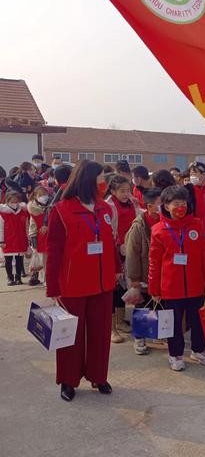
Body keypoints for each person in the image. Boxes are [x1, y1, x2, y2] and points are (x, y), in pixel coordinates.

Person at [46, 160, 120, 402]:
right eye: (102, 179)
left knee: (100, 334)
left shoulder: (104, 209)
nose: (105, 184)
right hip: (73, 285)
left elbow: (110, 241)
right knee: (71, 336)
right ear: (88, 180)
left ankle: (99, 376)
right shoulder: (62, 210)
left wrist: (117, 269)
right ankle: (68, 380)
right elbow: (54, 251)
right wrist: (53, 287)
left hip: (103, 283)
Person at [148, 185, 205, 371]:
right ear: (166, 206)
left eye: (184, 203)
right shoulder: (158, 230)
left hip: (196, 285)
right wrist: (154, 290)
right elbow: (154, 263)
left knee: (198, 321)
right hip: (170, 288)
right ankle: (175, 354)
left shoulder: (197, 224)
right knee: (174, 324)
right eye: (176, 203)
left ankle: (198, 350)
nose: (181, 207)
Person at [125, 188, 163, 355]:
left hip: (161, 272)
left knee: (158, 304)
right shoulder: (139, 226)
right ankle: (140, 338)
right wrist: (134, 277)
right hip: (143, 272)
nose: (164, 205)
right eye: (160, 203)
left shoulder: (164, 220)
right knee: (142, 305)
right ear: (149, 206)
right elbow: (132, 253)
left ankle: (155, 333)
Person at [105, 174, 142, 343]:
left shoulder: (132, 203)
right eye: (122, 191)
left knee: (124, 287)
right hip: (114, 250)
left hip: (130, 249)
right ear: (113, 191)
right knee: (114, 288)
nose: (126, 194)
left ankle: (121, 321)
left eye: (128, 190)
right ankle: (112, 328)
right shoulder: (108, 206)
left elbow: (140, 216)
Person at [0, 191, 29, 285]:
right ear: (7, 201)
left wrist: (28, 238)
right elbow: (0, 228)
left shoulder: (23, 211)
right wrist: (1, 240)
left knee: (19, 260)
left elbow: (26, 226)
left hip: (20, 239)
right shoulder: (3, 212)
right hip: (8, 239)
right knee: (8, 260)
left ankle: (18, 277)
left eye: (16, 201)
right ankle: (10, 277)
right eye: (12, 201)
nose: (14, 203)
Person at [27, 186, 50, 286]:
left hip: (50, 235)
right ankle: (42, 279)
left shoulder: (51, 205)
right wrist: (33, 240)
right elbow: (32, 226)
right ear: (35, 196)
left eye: (45, 194)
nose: (43, 197)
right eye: (40, 195)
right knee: (41, 259)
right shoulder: (33, 208)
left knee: (49, 259)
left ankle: (48, 279)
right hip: (39, 237)